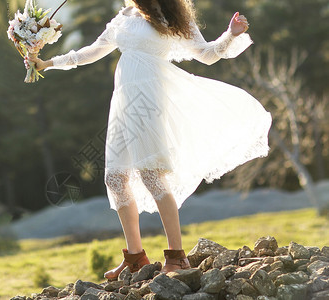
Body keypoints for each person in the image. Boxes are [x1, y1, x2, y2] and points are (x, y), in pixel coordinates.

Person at [26, 0, 272, 279]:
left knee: (150, 173)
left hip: (150, 97)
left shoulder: (170, 16)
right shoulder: (124, 16)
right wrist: (47, 63)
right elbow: (92, 51)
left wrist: (231, 34)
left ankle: (177, 257)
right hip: (123, 100)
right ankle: (135, 258)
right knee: (116, 178)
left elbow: (206, 54)